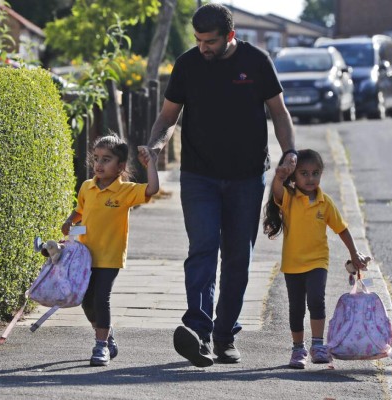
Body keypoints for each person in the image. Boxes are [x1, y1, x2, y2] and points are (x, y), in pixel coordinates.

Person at [145, 3, 297, 367]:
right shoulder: (187, 64)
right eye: (198, 40)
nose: (202, 47)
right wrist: (156, 144)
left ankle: (225, 335)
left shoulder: (257, 61)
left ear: (230, 35)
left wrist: (290, 152)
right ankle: (197, 330)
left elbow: (279, 112)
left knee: (237, 259)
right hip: (199, 176)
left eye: (209, 41)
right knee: (202, 249)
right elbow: (168, 116)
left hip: (247, 177)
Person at [263, 149, 370, 369]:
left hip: (317, 262)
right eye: (304, 173)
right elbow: (276, 191)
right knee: (296, 307)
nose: (310, 178)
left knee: (316, 301)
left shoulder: (325, 202)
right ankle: (297, 348)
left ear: (321, 174)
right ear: (294, 176)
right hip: (293, 264)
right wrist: (280, 176)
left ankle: (318, 345)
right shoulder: (289, 198)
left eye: (315, 173)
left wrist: (354, 252)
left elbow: (341, 229)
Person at [61, 135, 159, 366]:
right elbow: (80, 210)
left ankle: (101, 345)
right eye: (96, 158)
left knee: (102, 298)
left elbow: (153, 189)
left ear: (121, 167)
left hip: (110, 257)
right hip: (85, 256)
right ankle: (106, 332)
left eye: (106, 159)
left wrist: (151, 164)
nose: (99, 164)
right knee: (86, 301)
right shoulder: (87, 186)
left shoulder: (125, 191)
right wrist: (69, 221)